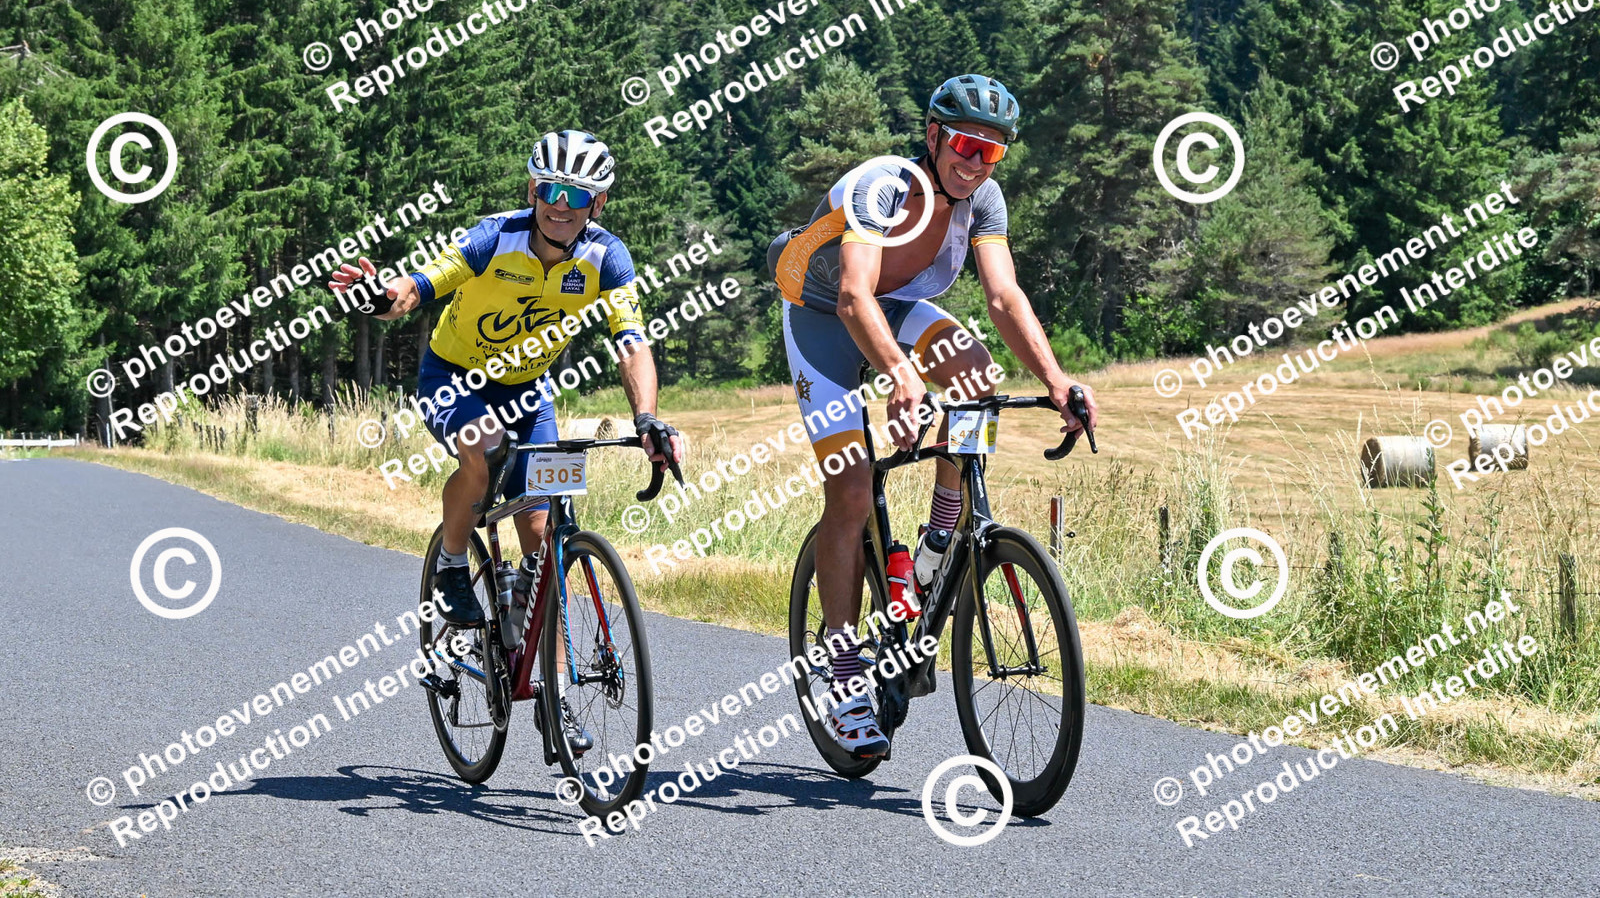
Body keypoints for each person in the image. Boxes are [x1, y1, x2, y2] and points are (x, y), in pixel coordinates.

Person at [766, 75, 1100, 758]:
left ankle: (934, 547)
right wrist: (901, 375)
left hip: (894, 309)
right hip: (823, 315)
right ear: (933, 136)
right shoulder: (881, 186)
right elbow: (855, 295)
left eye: (992, 152)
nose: (976, 163)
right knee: (851, 490)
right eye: (966, 145)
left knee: (977, 378)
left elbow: (1004, 297)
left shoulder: (983, 201)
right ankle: (844, 669)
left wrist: (1058, 381)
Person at [329, 129, 683, 637]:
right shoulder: (494, 238)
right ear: (533, 190)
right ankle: (452, 562)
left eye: (577, 195)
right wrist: (380, 299)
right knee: (486, 448)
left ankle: (549, 671)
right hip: (455, 379)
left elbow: (631, 342)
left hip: (528, 392)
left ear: (598, 203)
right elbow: (416, 288)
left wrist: (646, 417)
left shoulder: (607, 258)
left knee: (546, 544)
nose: (560, 205)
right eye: (550, 190)